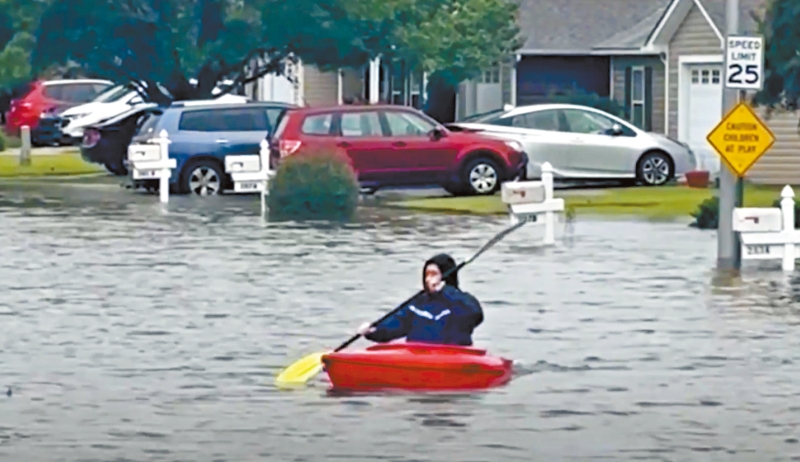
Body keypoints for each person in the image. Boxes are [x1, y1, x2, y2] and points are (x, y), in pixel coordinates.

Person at [357, 254, 484, 346]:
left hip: (451, 357)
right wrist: (373, 331)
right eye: (426, 274)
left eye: (434, 274)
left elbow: (474, 316)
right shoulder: (417, 304)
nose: (429, 279)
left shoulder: (462, 301)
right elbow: (395, 325)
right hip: (418, 356)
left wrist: (446, 291)